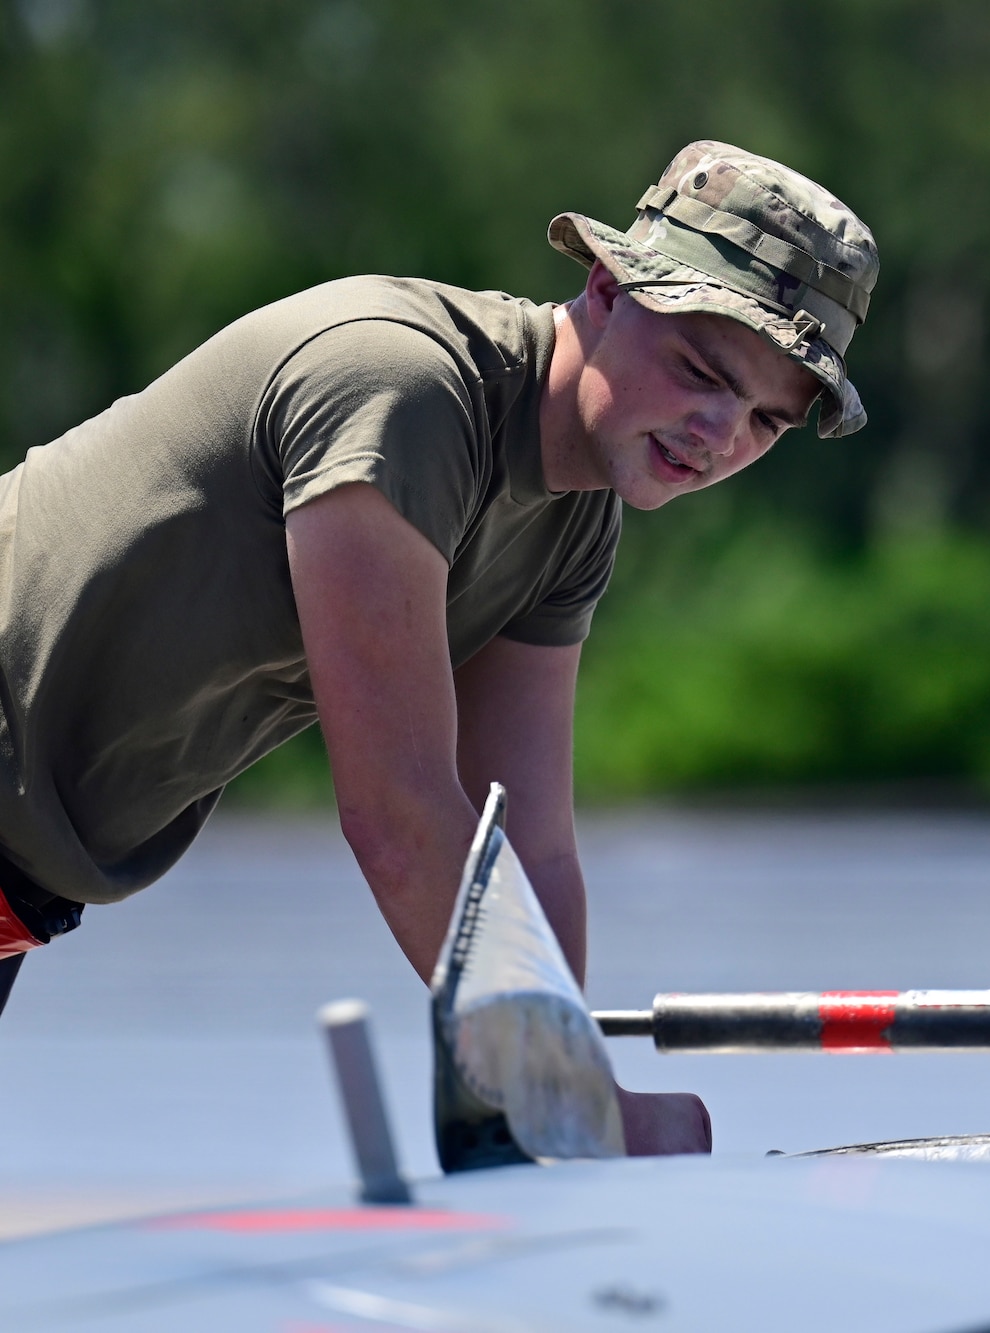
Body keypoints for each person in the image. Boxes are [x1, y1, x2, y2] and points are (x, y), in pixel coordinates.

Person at [0, 141, 879, 1155]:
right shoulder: (402, 389)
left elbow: (526, 848)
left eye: (767, 421)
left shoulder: (573, 522)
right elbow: (401, 816)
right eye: (699, 371)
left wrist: (557, 1097)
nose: (720, 433)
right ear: (605, 286)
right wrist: (570, 1098)